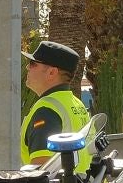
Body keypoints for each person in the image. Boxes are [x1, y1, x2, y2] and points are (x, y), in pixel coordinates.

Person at [21, 40, 93, 170]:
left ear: (52, 73)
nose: (27, 67)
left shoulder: (47, 109)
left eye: (32, 64)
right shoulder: (77, 104)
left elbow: (40, 168)